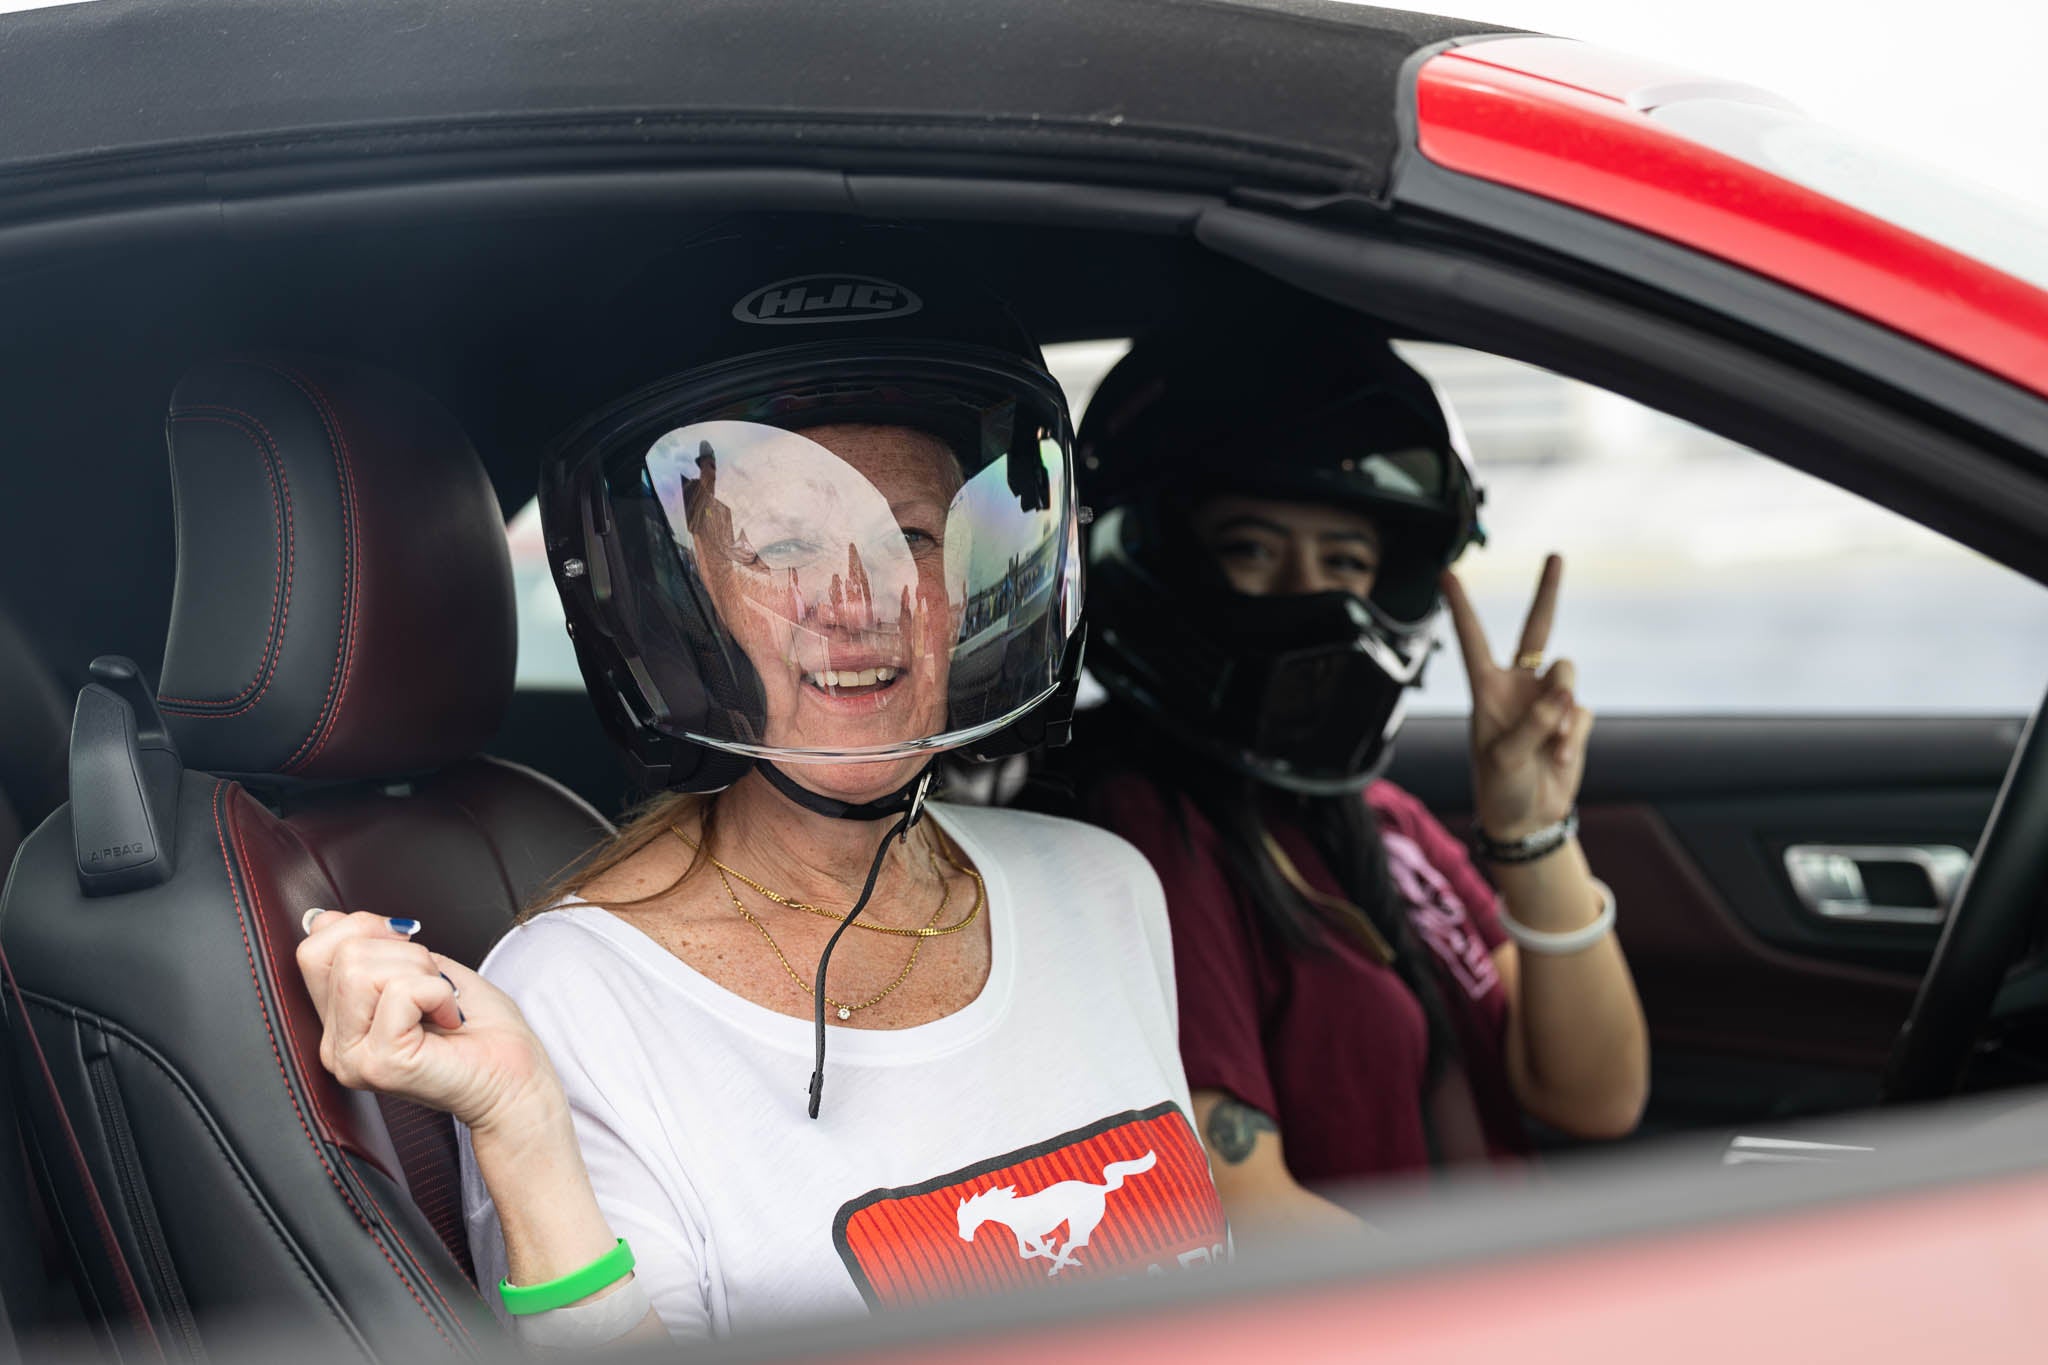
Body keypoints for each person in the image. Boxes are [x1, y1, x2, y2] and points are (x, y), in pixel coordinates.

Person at [292, 223, 1229, 1347]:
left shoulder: (1101, 888)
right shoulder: (576, 999)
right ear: (675, 603)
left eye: (911, 537)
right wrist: (524, 1126)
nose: (857, 599)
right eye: (784, 545)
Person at [1059, 303, 1649, 1247]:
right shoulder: (1141, 827)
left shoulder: (1386, 823)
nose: (1314, 594)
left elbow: (1593, 1094)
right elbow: (1244, 1208)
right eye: (1253, 549)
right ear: (1156, 557)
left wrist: (1534, 829)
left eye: (1347, 559)